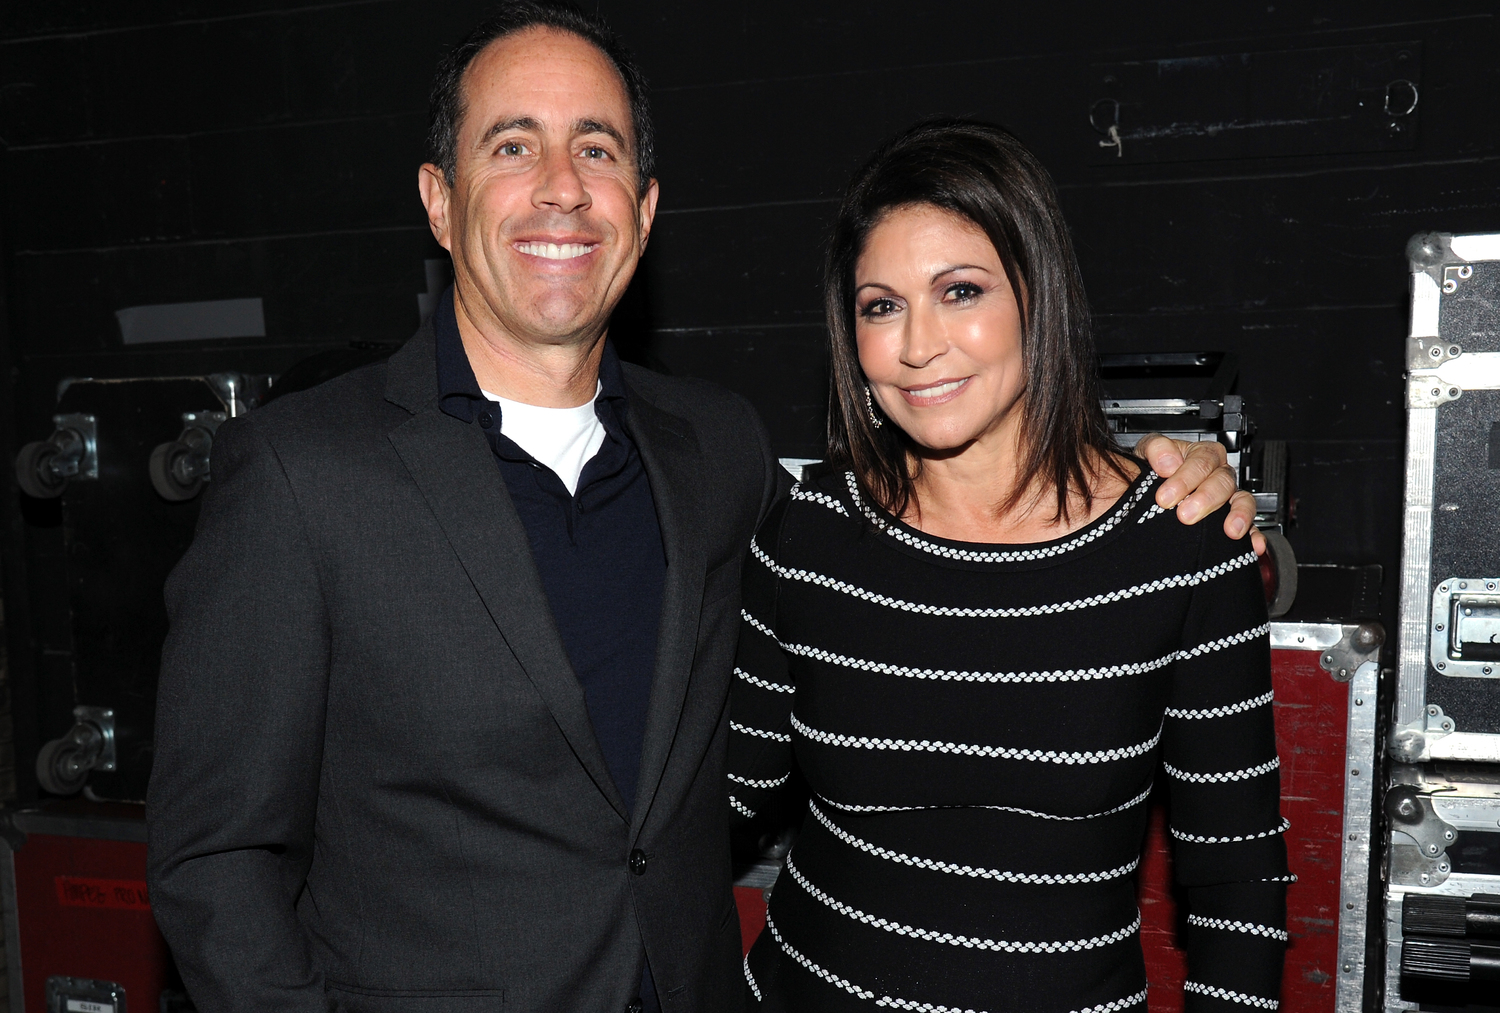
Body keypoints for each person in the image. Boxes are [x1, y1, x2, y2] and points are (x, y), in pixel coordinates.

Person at [144, 4, 1261, 1011]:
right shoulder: (301, 472)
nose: (562, 186)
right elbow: (215, 858)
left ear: (644, 204)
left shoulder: (720, 456)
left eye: (598, 148)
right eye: (512, 145)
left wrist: (1177, 479)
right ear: (439, 200)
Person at [728, 119, 1288, 1013]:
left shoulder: (1183, 544)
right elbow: (705, 806)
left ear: (1039, 294)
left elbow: (1238, 888)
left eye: (959, 291)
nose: (917, 345)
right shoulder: (807, 539)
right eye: (880, 305)